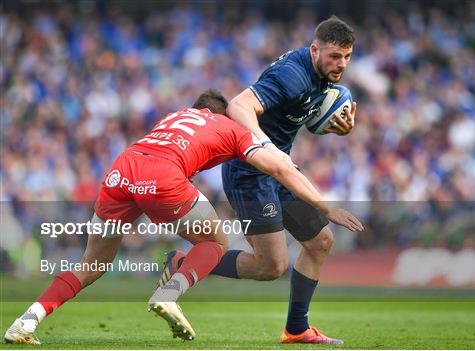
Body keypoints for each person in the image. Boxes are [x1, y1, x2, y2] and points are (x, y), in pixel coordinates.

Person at [4, 90, 363, 345]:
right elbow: (279, 168)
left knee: (91, 265)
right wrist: (323, 207)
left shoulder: (174, 116)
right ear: (222, 114)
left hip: (122, 169)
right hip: (161, 176)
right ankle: (169, 293)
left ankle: (26, 321)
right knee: (215, 242)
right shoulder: (231, 128)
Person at [209, 16, 356, 344]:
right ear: (315, 49)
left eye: (347, 57)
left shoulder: (324, 79)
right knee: (271, 266)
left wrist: (335, 126)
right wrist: (263, 144)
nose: (341, 64)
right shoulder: (292, 75)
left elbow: (302, 116)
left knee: (321, 242)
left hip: (278, 170)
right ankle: (187, 261)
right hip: (248, 171)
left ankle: (297, 329)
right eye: (334, 56)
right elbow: (239, 106)